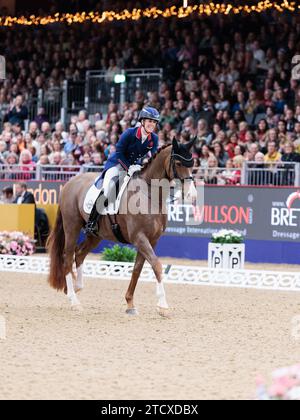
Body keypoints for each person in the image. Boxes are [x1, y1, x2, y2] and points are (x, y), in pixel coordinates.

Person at [84, 106, 160, 236]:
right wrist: (128, 167)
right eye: (149, 121)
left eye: (154, 122)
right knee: (108, 188)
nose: (151, 124)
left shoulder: (154, 138)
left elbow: (154, 158)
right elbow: (119, 152)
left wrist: (147, 167)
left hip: (135, 167)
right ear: (142, 121)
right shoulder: (129, 133)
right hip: (117, 164)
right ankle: (92, 222)